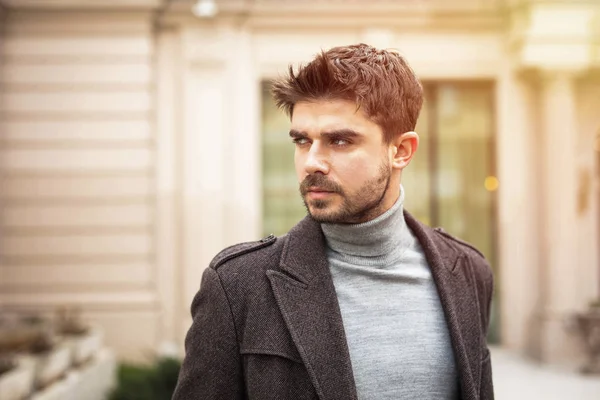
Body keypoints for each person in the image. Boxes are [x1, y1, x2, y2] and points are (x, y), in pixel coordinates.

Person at [172, 43, 494, 400]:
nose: (312, 162)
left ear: (401, 151)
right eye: (301, 141)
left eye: (339, 140)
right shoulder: (236, 286)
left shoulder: (468, 273)